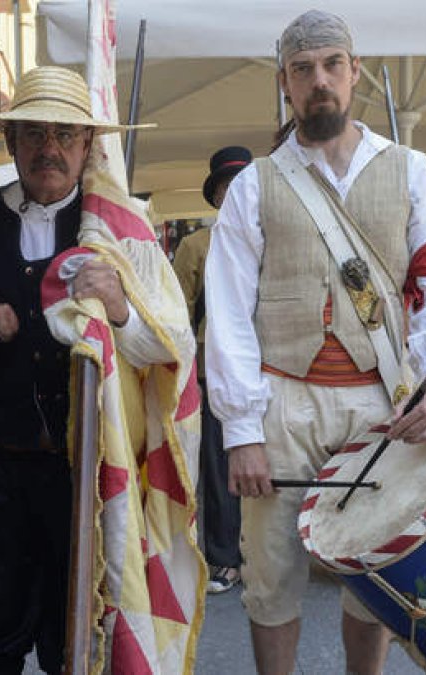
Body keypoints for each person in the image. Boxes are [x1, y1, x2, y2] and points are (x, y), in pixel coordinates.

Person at [204, 11, 426, 675]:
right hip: (283, 403)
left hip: (383, 399)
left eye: (332, 65)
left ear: (355, 72)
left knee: (378, 570)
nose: (319, 81)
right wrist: (242, 429)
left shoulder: (411, 170)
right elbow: (229, 314)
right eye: (303, 70)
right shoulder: (252, 187)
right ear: (285, 83)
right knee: (270, 576)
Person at [0, 66, 196, 673]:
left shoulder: (122, 228)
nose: (50, 149)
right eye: (34, 134)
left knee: (78, 635)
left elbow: (175, 344)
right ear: (11, 142)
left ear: (89, 145)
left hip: (90, 470)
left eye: (66, 135)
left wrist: (121, 308)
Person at [173, 145, 250, 594]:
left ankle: (261, 553)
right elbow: (177, 312)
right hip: (213, 363)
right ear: (217, 195)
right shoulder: (195, 245)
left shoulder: (271, 240)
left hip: (269, 366)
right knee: (221, 466)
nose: (235, 193)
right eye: (227, 186)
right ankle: (223, 557)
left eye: (243, 184)